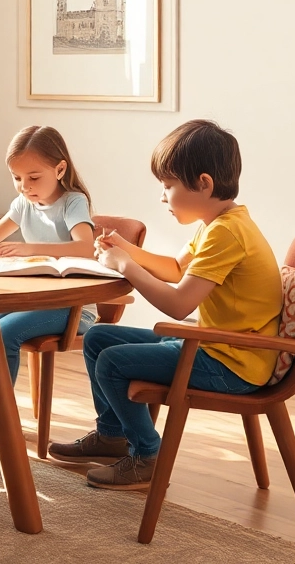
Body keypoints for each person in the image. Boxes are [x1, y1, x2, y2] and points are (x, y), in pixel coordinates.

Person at [48, 119, 281, 492]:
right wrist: (127, 249)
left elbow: (177, 303)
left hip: (231, 364)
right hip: (214, 347)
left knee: (112, 361)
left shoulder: (227, 233)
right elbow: (175, 269)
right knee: (99, 338)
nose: (162, 196)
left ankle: (147, 456)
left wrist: (125, 266)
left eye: (168, 185)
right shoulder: (217, 224)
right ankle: (111, 437)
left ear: (203, 184)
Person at [0, 125, 98, 442]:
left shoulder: (73, 202)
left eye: (33, 178)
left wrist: (30, 248)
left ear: (60, 168)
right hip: (30, 300)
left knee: (4, 332)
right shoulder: (23, 204)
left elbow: (85, 248)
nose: (24, 187)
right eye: (17, 178)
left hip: (71, 307)